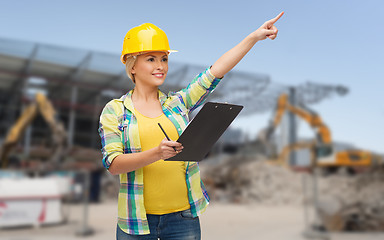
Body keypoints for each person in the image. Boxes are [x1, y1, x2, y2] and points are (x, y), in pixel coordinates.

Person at [99, 11, 284, 240]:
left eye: (164, 59)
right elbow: (113, 164)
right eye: (151, 59)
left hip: (183, 219)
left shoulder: (178, 103)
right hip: (137, 222)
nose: (161, 66)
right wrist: (157, 153)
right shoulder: (115, 110)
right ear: (132, 66)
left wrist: (254, 37)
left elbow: (215, 72)